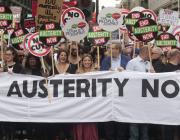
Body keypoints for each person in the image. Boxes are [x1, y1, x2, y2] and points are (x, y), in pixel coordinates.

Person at [101, 43, 130, 140]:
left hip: (123, 93)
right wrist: (106, 72)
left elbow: (132, 74)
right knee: (109, 118)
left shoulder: (126, 59)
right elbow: (101, 73)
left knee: (121, 117)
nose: (111, 50)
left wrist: (125, 71)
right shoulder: (106, 60)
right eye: (110, 48)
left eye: (113, 48)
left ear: (118, 49)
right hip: (109, 93)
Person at [126, 46, 155, 140]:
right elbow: (127, 78)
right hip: (134, 98)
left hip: (146, 98)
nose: (152, 55)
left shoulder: (149, 63)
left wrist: (154, 73)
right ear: (145, 52)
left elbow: (154, 80)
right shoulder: (132, 63)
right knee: (134, 123)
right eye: (151, 52)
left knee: (145, 122)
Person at [73, 54, 99, 140]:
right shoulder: (78, 71)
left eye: (89, 60)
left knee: (90, 120)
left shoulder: (96, 71)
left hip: (92, 101)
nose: (87, 62)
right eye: (85, 60)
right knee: (81, 120)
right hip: (80, 101)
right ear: (82, 62)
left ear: (91, 62)